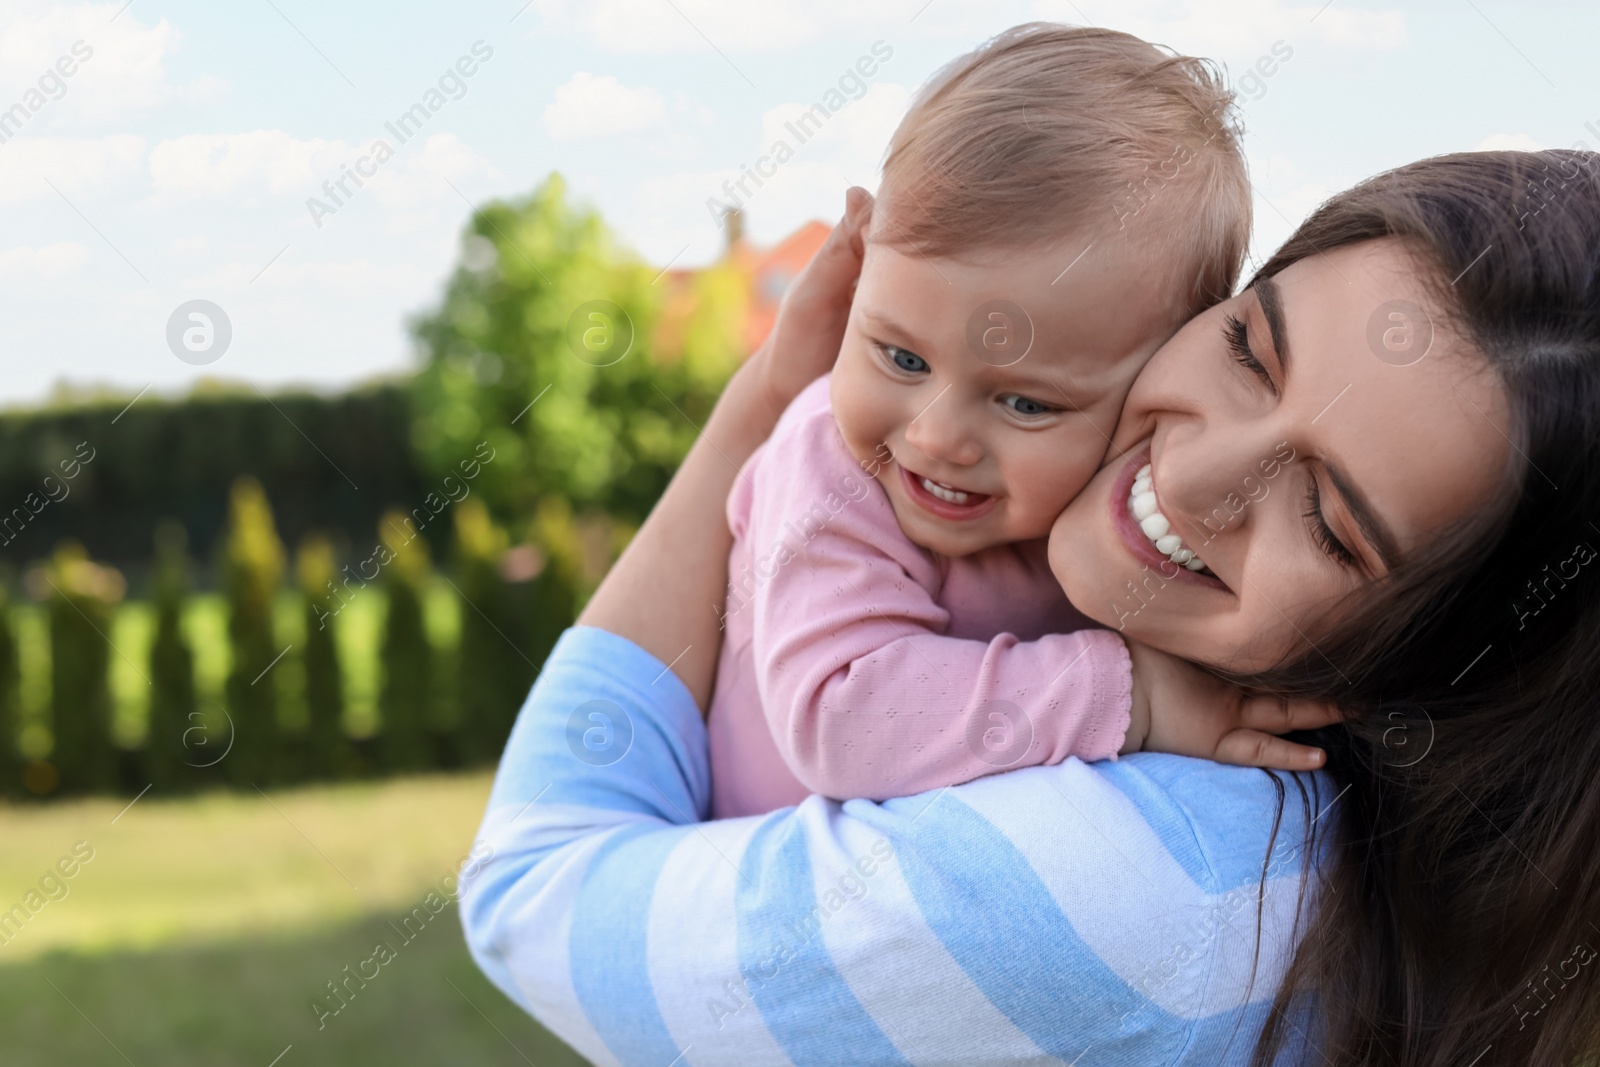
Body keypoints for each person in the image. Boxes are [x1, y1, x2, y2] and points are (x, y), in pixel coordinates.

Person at [462, 148, 1600, 1066]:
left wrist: (755, 406)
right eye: (1250, 349)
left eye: (1326, 521)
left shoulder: (1136, 895)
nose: (1199, 480)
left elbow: (533, 886)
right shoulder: (1402, 893)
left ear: (1460, 664)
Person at [707, 24, 1329, 821]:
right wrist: (1135, 698)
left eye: (1027, 403)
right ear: (861, 265)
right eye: (900, 358)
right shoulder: (827, 466)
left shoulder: (1119, 511)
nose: (934, 437)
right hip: (755, 891)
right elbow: (840, 719)